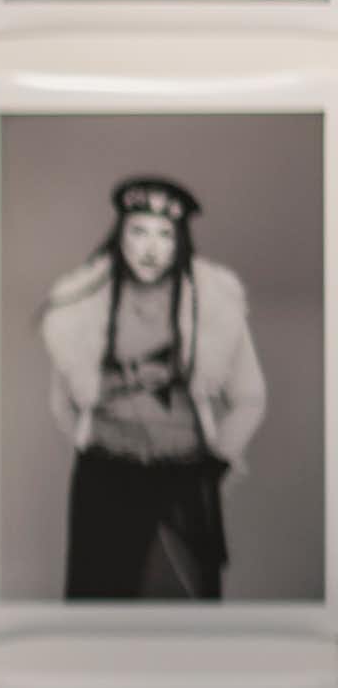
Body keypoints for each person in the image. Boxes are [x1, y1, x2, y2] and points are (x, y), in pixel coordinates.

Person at [38, 176, 265, 601]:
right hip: (106, 480)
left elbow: (249, 396)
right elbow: (62, 398)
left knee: (184, 614)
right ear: (120, 235)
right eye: (138, 231)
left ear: (179, 239)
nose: (150, 246)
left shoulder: (214, 302)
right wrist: (94, 443)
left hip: (183, 481)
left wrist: (213, 462)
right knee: (100, 612)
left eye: (164, 234)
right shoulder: (82, 302)